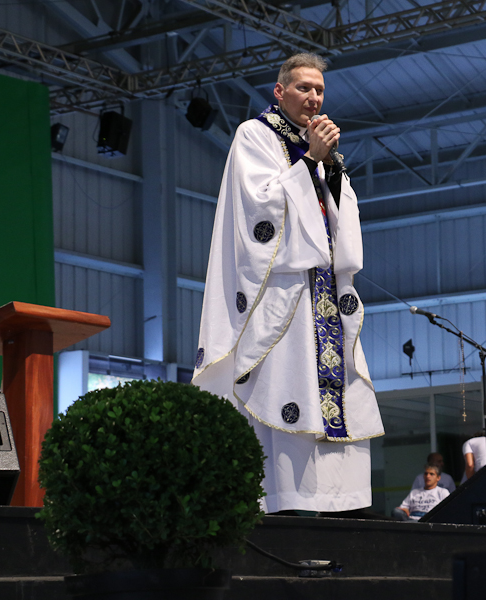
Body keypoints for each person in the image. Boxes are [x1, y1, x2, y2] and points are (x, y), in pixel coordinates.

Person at [191, 53, 384, 515]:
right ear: (280, 92)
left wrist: (330, 170)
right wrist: (310, 161)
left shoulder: (319, 148)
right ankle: (283, 502)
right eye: (303, 88)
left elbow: (342, 221)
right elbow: (260, 211)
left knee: (335, 394)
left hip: (323, 296)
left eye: (319, 90)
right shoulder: (254, 135)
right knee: (285, 388)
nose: (314, 98)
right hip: (281, 294)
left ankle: (337, 506)